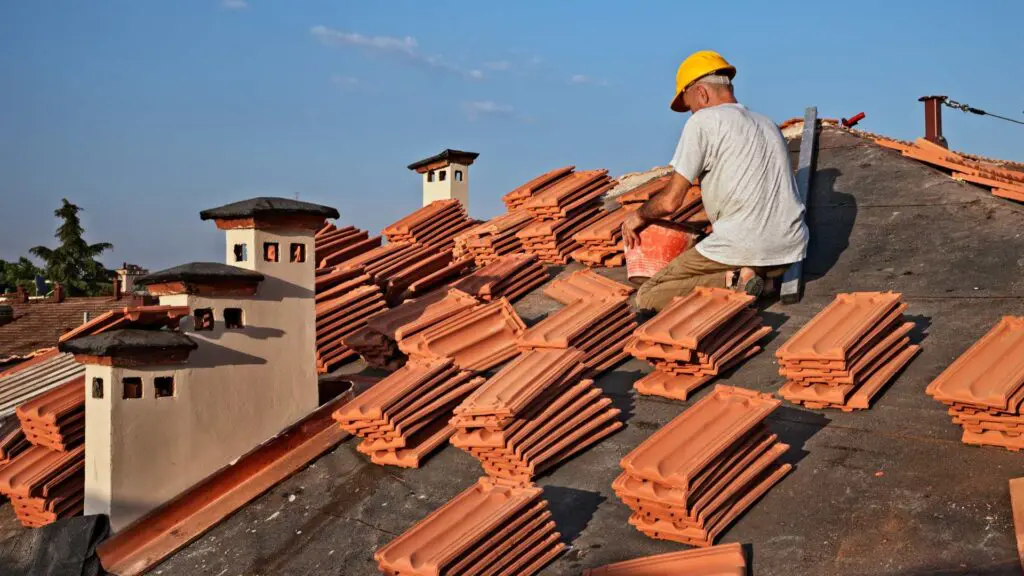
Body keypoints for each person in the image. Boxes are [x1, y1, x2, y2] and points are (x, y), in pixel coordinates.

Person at [624, 50, 809, 312]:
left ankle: (734, 280)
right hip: (789, 249)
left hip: (745, 245)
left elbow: (670, 202)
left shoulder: (703, 121)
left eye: (690, 106)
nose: (691, 113)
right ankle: (758, 278)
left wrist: (638, 216)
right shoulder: (767, 124)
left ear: (701, 93)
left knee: (648, 295)